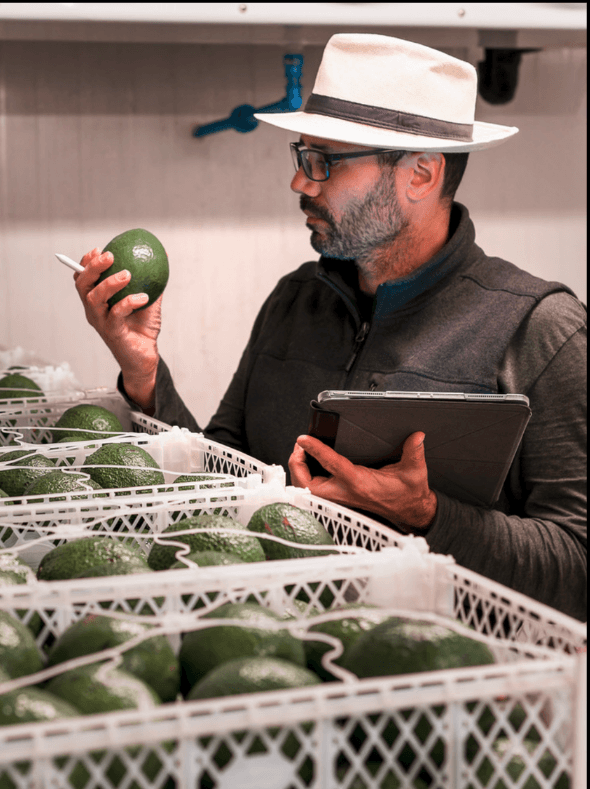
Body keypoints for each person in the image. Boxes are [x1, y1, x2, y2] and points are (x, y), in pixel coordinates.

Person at [74, 34, 586, 621]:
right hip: (273, 645)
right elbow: (227, 479)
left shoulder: (540, 328)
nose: (301, 183)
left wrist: (429, 516)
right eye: (301, 156)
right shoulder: (296, 299)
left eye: (325, 162)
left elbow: (577, 568)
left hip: (442, 680)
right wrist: (144, 374)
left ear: (420, 174)